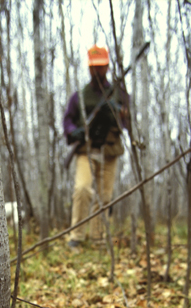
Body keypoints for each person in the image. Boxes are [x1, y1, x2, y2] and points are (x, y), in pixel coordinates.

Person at [63, 45, 128, 248]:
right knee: (82, 189)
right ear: (89, 68)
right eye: (94, 67)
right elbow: (68, 120)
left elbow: (128, 121)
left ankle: (99, 237)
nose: (97, 71)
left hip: (109, 150)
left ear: (107, 66)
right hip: (86, 149)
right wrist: (74, 131)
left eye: (101, 67)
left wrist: (118, 113)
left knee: (104, 196)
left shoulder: (118, 93)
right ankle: (77, 236)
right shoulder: (79, 96)